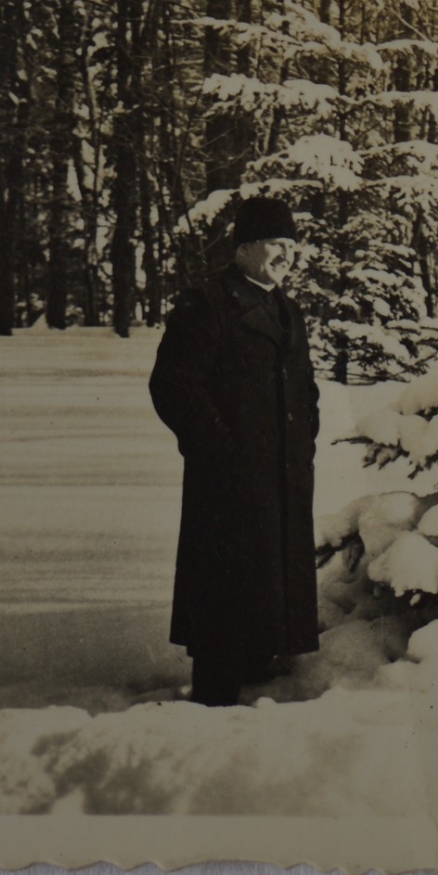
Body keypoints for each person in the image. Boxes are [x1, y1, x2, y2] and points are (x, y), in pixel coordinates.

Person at [149, 196, 321, 705]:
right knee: (224, 592)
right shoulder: (206, 304)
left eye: (291, 245)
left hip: (283, 476)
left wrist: (303, 441)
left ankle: (257, 682)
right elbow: (174, 386)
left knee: (268, 584)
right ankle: (215, 701)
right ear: (244, 248)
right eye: (275, 244)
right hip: (227, 480)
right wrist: (220, 452)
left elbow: (305, 389)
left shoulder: (288, 310)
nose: (287, 255)